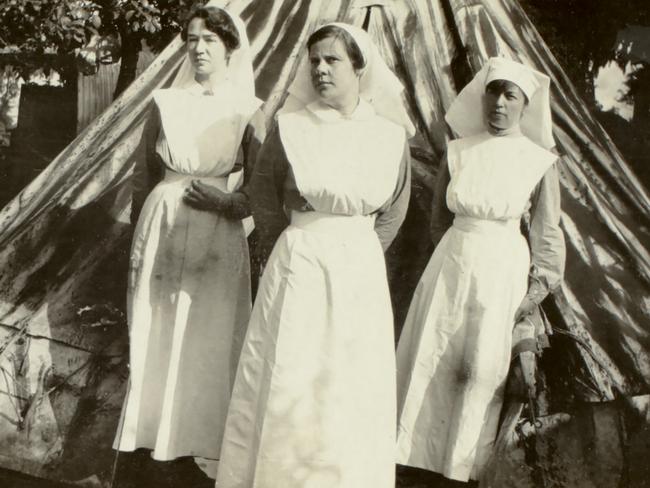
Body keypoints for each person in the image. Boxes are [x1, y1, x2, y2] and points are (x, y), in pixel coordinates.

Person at [216, 23, 414, 488]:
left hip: (358, 267)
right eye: (315, 61)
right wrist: (296, 244)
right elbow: (263, 195)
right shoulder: (292, 128)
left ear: (360, 69)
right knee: (292, 370)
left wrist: (356, 252)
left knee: (348, 376)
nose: (321, 69)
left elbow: (395, 209)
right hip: (299, 261)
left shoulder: (389, 136)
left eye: (333, 60)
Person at [395, 57, 565, 485]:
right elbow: (438, 221)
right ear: (482, 95)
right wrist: (455, 261)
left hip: (502, 270)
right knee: (432, 360)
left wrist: (531, 294)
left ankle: (462, 470)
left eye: (511, 95)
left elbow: (547, 235)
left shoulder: (538, 161)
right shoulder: (459, 151)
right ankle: (414, 462)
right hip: (451, 264)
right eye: (494, 91)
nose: (500, 103)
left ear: (525, 104)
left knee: (478, 372)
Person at [112, 4, 263, 478]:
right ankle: (150, 435)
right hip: (164, 222)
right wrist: (141, 237)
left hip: (217, 230)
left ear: (229, 48)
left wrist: (229, 204)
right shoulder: (166, 102)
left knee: (210, 331)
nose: (198, 48)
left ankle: (202, 441)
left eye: (210, 41)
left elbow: (262, 185)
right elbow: (143, 175)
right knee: (157, 323)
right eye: (192, 40)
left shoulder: (248, 110)